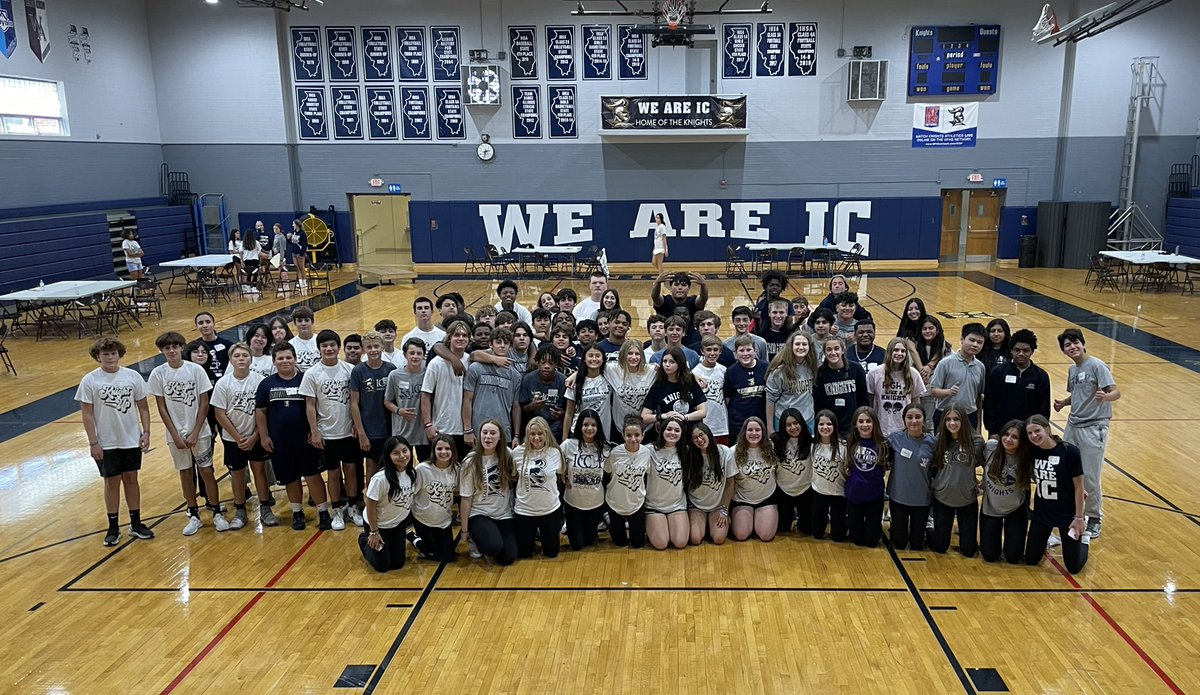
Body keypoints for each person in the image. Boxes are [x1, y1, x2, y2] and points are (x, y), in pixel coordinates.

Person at [147, 332, 229, 535]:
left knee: (207, 471)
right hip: (175, 435)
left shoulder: (195, 370)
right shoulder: (158, 374)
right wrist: (175, 435)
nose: (172, 351)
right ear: (162, 351)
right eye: (167, 348)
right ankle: (193, 514)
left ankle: (217, 511)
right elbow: (162, 407)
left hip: (199, 433)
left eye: (175, 347)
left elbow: (204, 403)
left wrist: (195, 431)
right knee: (185, 473)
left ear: (182, 348)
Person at [77, 337, 154, 546]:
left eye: (113, 353)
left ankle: (136, 523)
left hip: (130, 438)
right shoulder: (90, 380)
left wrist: (146, 432)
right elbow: (86, 414)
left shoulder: (132, 376)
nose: (110, 357)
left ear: (119, 354)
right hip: (106, 441)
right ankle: (113, 526)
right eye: (105, 354)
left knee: (131, 478)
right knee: (111, 482)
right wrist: (93, 442)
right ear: (98, 356)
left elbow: (144, 407)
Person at [256, 343, 331, 531]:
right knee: (290, 478)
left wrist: (315, 431)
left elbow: (315, 406)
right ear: (274, 362)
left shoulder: (306, 379)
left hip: (306, 440)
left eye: (288, 357)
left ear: (295, 359)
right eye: (280, 358)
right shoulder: (266, 384)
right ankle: (297, 512)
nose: (285, 361)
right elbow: (261, 412)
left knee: (313, 476)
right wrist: (264, 436)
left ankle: (323, 511)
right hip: (280, 442)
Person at [1054, 328, 1119, 538]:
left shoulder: (1097, 365)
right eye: (1067, 345)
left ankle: (1095, 517)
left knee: (1090, 475)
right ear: (1064, 351)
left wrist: (1105, 397)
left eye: (1075, 343)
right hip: (1073, 425)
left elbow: (1115, 391)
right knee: (1065, 469)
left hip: (1094, 427)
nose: (1072, 347)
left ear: (1083, 344)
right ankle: (1072, 512)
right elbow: (1077, 393)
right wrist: (1064, 402)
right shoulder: (1073, 370)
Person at [300, 329, 361, 530]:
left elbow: (355, 401)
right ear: (319, 349)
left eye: (332, 345)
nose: (329, 349)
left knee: (351, 470)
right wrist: (314, 430)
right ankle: (336, 510)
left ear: (338, 347)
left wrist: (356, 424)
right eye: (324, 346)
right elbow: (310, 405)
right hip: (327, 433)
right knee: (333, 474)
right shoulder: (312, 373)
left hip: (348, 431)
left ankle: (353, 507)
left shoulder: (349, 370)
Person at [211, 342, 275, 528]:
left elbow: (265, 411)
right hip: (234, 440)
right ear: (231, 359)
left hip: (255, 437)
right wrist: (238, 437)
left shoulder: (259, 381)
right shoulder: (224, 383)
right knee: (237, 474)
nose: (241, 359)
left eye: (244, 356)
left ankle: (265, 507)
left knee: (260, 471)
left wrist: (256, 436)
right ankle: (240, 510)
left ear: (251, 358)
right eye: (237, 356)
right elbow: (219, 413)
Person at [1024, 415, 1090, 574]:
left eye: (1037, 430)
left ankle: (1084, 541)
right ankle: (1046, 541)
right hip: (1042, 513)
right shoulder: (1032, 452)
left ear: (1047, 429)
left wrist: (1079, 518)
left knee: (1073, 568)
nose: (1034, 436)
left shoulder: (1069, 451)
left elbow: (1079, 487)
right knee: (1031, 560)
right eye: (1030, 433)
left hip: (1067, 515)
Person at [459, 420, 518, 565]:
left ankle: (491, 534)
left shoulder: (508, 454)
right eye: (484, 433)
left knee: (508, 558)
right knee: (493, 547)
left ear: (500, 437)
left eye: (493, 433)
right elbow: (466, 499)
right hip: (480, 513)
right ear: (479, 436)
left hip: (504, 514)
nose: (488, 437)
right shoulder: (470, 461)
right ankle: (475, 538)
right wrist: (464, 531)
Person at [928, 406, 984, 557]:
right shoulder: (939, 439)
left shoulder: (976, 441)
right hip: (942, 498)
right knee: (940, 547)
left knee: (969, 550)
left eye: (956, 419)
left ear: (964, 420)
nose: (952, 423)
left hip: (967, 500)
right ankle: (929, 529)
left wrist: (982, 482)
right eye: (948, 419)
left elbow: (989, 465)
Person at [359, 436, 416, 572]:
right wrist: (374, 532)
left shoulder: (412, 473)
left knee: (398, 563)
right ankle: (363, 540)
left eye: (405, 451)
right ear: (388, 456)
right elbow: (370, 505)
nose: (402, 456)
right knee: (383, 567)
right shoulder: (380, 479)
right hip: (377, 526)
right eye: (396, 453)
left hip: (397, 524)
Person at [983, 329, 1051, 439]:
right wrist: (992, 430)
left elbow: (1044, 408)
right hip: (1002, 431)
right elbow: (989, 403)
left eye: (1026, 350)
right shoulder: (998, 372)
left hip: (1029, 434)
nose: (1021, 354)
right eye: (1017, 350)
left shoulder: (1041, 376)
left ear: (1032, 351)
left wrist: (1040, 430)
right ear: (1011, 351)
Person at [512, 417, 565, 559]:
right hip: (524, 510)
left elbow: (561, 474)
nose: (536, 438)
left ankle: (541, 535)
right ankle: (530, 537)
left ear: (546, 434)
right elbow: (513, 477)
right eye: (532, 434)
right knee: (523, 554)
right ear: (527, 435)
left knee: (551, 553)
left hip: (550, 510)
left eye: (540, 434)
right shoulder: (517, 453)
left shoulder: (555, 452)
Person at [350, 331, 397, 490]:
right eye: (369, 347)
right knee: (371, 466)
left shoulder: (391, 369)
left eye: (376, 346)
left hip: (390, 427)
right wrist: (362, 433)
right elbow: (354, 404)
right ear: (363, 350)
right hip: (370, 429)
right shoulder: (358, 371)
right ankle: (370, 501)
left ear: (383, 347)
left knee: (391, 465)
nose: (373, 350)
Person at [979, 420, 1031, 564]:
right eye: (1006, 434)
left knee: (1014, 558)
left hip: (1015, 509)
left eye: (1015, 437)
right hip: (991, 508)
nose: (1008, 439)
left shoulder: (1026, 457)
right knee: (989, 556)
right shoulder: (990, 447)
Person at [885, 404, 936, 550]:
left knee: (917, 544)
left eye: (918, 417)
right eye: (909, 417)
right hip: (898, 496)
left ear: (924, 420)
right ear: (904, 420)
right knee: (899, 544)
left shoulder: (933, 443)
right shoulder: (894, 439)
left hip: (921, 499)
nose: (914, 421)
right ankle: (895, 528)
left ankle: (928, 528)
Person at [421, 320, 472, 461]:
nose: (461, 338)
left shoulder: (472, 361)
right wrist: (428, 425)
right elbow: (425, 396)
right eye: (457, 335)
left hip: (466, 430)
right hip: (441, 429)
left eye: (464, 335)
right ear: (449, 337)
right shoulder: (436, 363)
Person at [463, 326, 521, 447]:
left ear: (510, 346)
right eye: (498, 342)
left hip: (503, 430)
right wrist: (467, 429)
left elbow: (516, 406)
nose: (502, 345)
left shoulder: (515, 375)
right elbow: (467, 400)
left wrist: (516, 435)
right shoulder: (476, 368)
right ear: (491, 344)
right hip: (478, 429)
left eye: (506, 343)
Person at [559, 409, 609, 551]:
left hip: (595, 503)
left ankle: (600, 520)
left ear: (598, 427)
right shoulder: (568, 445)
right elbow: (555, 462)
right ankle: (567, 524)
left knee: (589, 542)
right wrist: (563, 474)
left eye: (593, 425)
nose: (589, 428)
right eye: (585, 424)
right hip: (572, 503)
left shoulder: (605, 448)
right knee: (577, 545)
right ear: (579, 426)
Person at [604, 415, 653, 548]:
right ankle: (608, 518)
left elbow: (647, 474)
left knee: (637, 544)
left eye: (637, 435)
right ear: (623, 435)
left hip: (636, 503)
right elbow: (607, 472)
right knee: (619, 543)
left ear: (643, 435)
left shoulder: (647, 453)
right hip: (615, 503)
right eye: (628, 435)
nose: (633, 439)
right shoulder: (615, 453)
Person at [844, 407, 889, 548]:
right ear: (855, 425)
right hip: (854, 494)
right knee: (857, 539)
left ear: (875, 423)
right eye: (861, 421)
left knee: (871, 542)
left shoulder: (883, 444)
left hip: (874, 495)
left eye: (868, 421)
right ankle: (850, 522)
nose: (865, 425)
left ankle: (873, 527)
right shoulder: (849, 442)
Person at [410, 434, 459, 562]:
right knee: (434, 555)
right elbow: (410, 494)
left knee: (449, 557)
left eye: (447, 449)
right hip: (423, 519)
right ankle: (413, 537)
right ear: (433, 450)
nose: (443, 452)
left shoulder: (456, 469)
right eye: (439, 449)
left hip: (444, 521)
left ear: (453, 450)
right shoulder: (422, 469)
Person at [685, 424, 736, 545]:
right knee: (695, 539)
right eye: (695, 438)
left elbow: (730, 483)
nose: (699, 440)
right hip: (696, 505)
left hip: (717, 505)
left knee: (718, 539)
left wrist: (724, 509)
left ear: (708, 434)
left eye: (701, 435)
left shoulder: (724, 452)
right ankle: (703, 525)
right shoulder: (689, 455)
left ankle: (711, 525)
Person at [929, 323, 987, 430]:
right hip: (945, 414)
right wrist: (948, 392)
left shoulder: (980, 367)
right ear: (962, 339)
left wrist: (978, 424)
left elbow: (978, 397)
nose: (975, 344)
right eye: (972, 340)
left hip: (970, 415)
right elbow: (933, 391)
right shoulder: (945, 363)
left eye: (979, 342)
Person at [865, 337, 927, 437]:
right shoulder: (874, 373)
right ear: (889, 351)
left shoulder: (913, 374)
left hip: (904, 429)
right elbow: (870, 401)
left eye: (903, 351)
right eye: (896, 350)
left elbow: (916, 402)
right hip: (881, 428)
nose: (899, 353)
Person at [730, 417, 779, 542]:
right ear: (744, 432)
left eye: (757, 430)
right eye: (750, 430)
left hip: (766, 497)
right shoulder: (733, 452)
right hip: (742, 499)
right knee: (741, 535)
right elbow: (730, 482)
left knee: (766, 536)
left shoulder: (772, 446)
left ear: (763, 432)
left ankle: (758, 519)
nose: (754, 433)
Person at [643, 418, 689, 550]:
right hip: (654, 506)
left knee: (680, 543)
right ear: (662, 430)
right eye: (669, 429)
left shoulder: (685, 450)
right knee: (661, 544)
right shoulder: (649, 450)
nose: (672, 433)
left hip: (677, 505)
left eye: (677, 430)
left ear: (681, 433)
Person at [641, 346, 707, 437]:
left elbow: (703, 412)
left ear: (680, 363)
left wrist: (685, 417)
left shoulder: (691, 381)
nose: (667, 365)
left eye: (672, 362)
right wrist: (662, 416)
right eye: (664, 361)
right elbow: (644, 416)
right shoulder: (658, 385)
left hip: (691, 433)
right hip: (670, 435)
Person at [385, 337, 430, 465]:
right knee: (404, 467)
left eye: (419, 353)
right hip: (402, 431)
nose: (415, 357)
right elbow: (387, 401)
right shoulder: (395, 375)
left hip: (423, 432)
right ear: (405, 355)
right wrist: (399, 410)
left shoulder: (429, 374)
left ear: (423, 355)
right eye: (412, 353)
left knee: (425, 466)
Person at [813, 337, 868, 436]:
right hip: (830, 428)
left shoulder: (856, 369)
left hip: (853, 427)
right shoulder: (819, 373)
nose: (833, 352)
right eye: (829, 350)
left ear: (843, 350)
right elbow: (818, 405)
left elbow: (863, 400)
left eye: (836, 349)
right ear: (824, 353)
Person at [765, 330, 818, 434]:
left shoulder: (812, 366)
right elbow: (770, 400)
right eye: (797, 344)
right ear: (791, 346)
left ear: (809, 346)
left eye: (804, 344)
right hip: (784, 421)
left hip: (808, 419)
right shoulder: (779, 371)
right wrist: (770, 429)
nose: (801, 347)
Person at [770, 408, 813, 535]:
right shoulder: (775, 442)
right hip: (783, 490)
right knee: (783, 529)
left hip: (805, 490)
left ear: (802, 423)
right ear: (783, 426)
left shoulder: (811, 441)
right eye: (788, 425)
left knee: (807, 530)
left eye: (796, 423)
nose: (793, 427)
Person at [606, 339, 658, 442]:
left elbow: (677, 371)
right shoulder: (612, 369)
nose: (633, 357)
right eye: (629, 353)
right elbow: (589, 367)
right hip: (621, 428)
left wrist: (695, 375)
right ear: (623, 354)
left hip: (646, 428)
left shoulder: (652, 370)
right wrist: (574, 376)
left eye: (637, 354)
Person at [809, 410, 847, 541]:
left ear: (834, 426)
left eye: (829, 424)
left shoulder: (843, 446)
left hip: (838, 493)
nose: (825, 427)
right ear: (816, 426)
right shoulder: (812, 445)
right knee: (816, 534)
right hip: (818, 492)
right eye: (821, 424)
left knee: (838, 537)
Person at [563, 344, 612, 442]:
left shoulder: (609, 378)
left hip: (602, 433)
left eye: (597, 356)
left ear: (603, 360)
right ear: (584, 359)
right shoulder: (575, 382)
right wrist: (564, 437)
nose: (594, 359)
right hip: (578, 432)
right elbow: (569, 413)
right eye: (590, 356)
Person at [519, 344, 567, 440]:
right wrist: (531, 407)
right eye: (543, 362)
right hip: (533, 430)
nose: (546, 366)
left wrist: (561, 414)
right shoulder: (528, 379)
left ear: (556, 364)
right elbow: (521, 408)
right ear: (538, 362)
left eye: (550, 363)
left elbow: (569, 411)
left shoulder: (563, 381)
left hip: (556, 432)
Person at [723, 335, 767, 439]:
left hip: (761, 423)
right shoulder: (731, 372)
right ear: (736, 353)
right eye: (741, 350)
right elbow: (727, 399)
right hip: (738, 425)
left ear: (755, 351)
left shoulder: (765, 367)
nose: (745, 354)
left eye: (748, 350)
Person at [693, 337, 729, 445]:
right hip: (704, 425)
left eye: (715, 350)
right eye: (708, 350)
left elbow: (728, 398)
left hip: (722, 425)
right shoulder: (695, 372)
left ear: (720, 351)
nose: (712, 353)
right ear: (702, 351)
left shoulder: (724, 370)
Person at [914, 316, 949, 430]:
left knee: (928, 421)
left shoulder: (946, 349)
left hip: (933, 392)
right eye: (924, 328)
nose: (927, 331)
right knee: (915, 419)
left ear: (937, 330)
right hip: (915, 391)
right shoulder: (915, 347)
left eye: (931, 328)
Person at [195, 311, 233, 383]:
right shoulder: (194, 346)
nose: (205, 325)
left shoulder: (228, 345)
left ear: (214, 323)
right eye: (200, 323)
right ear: (196, 326)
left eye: (208, 322)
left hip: (224, 386)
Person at [289, 306, 319, 370]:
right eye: (300, 321)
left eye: (306, 320)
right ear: (294, 323)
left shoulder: (321, 340)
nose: (303, 323)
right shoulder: (290, 344)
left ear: (312, 321)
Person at [288, 219, 309, 289]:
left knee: (301, 267)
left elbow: (304, 245)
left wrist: (302, 254)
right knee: (297, 268)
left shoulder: (302, 234)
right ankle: (300, 282)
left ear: (297, 225)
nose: (292, 225)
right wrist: (289, 239)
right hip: (294, 253)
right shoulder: (293, 232)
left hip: (300, 253)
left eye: (293, 224)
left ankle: (304, 281)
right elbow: (291, 243)